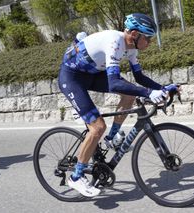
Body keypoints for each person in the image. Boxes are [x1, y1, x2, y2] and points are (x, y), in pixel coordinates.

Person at [58, 13, 178, 197]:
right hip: (72, 78)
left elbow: (139, 77)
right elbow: (114, 83)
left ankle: (111, 138)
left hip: (92, 74)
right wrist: (148, 93)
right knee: (97, 127)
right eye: (148, 38)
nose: (150, 42)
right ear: (135, 34)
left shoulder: (131, 47)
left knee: (129, 95)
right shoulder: (115, 42)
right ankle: (76, 177)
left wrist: (163, 88)